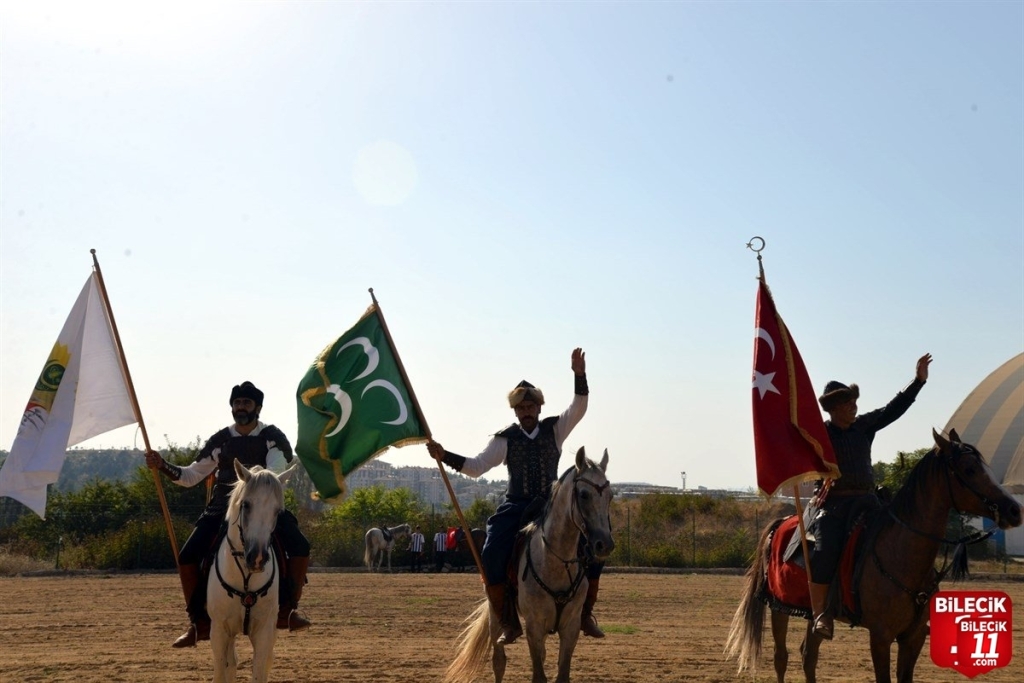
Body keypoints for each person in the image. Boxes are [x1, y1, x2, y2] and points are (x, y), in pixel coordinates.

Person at [426, 347, 604, 645]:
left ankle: (585, 613)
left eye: (531, 406)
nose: (526, 412)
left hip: (551, 505)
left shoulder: (555, 430)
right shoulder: (504, 439)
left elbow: (580, 406)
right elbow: (476, 467)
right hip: (516, 506)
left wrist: (580, 375)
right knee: (491, 553)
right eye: (521, 408)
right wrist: (445, 455)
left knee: (595, 546)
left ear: (538, 407)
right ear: (515, 411)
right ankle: (508, 620)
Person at [145, 381, 312, 648]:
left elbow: (275, 473)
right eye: (236, 403)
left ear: (257, 407)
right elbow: (191, 475)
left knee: (300, 546)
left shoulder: (272, 436)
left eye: (246, 403)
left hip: (263, 507)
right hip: (222, 508)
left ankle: (287, 611)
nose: (240, 407)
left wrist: (255, 487)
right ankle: (198, 622)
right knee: (187, 557)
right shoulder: (221, 440)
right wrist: (162, 465)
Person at [807, 353, 932, 640]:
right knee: (825, 552)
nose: (854, 406)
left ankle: (914, 608)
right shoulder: (818, 434)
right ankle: (821, 614)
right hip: (834, 506)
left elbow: (892, 409)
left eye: (854, 401)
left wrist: (918, 382)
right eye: (848, 403)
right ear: (834, 408)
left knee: (901, 537)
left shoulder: (863, 425)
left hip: (868, 501)